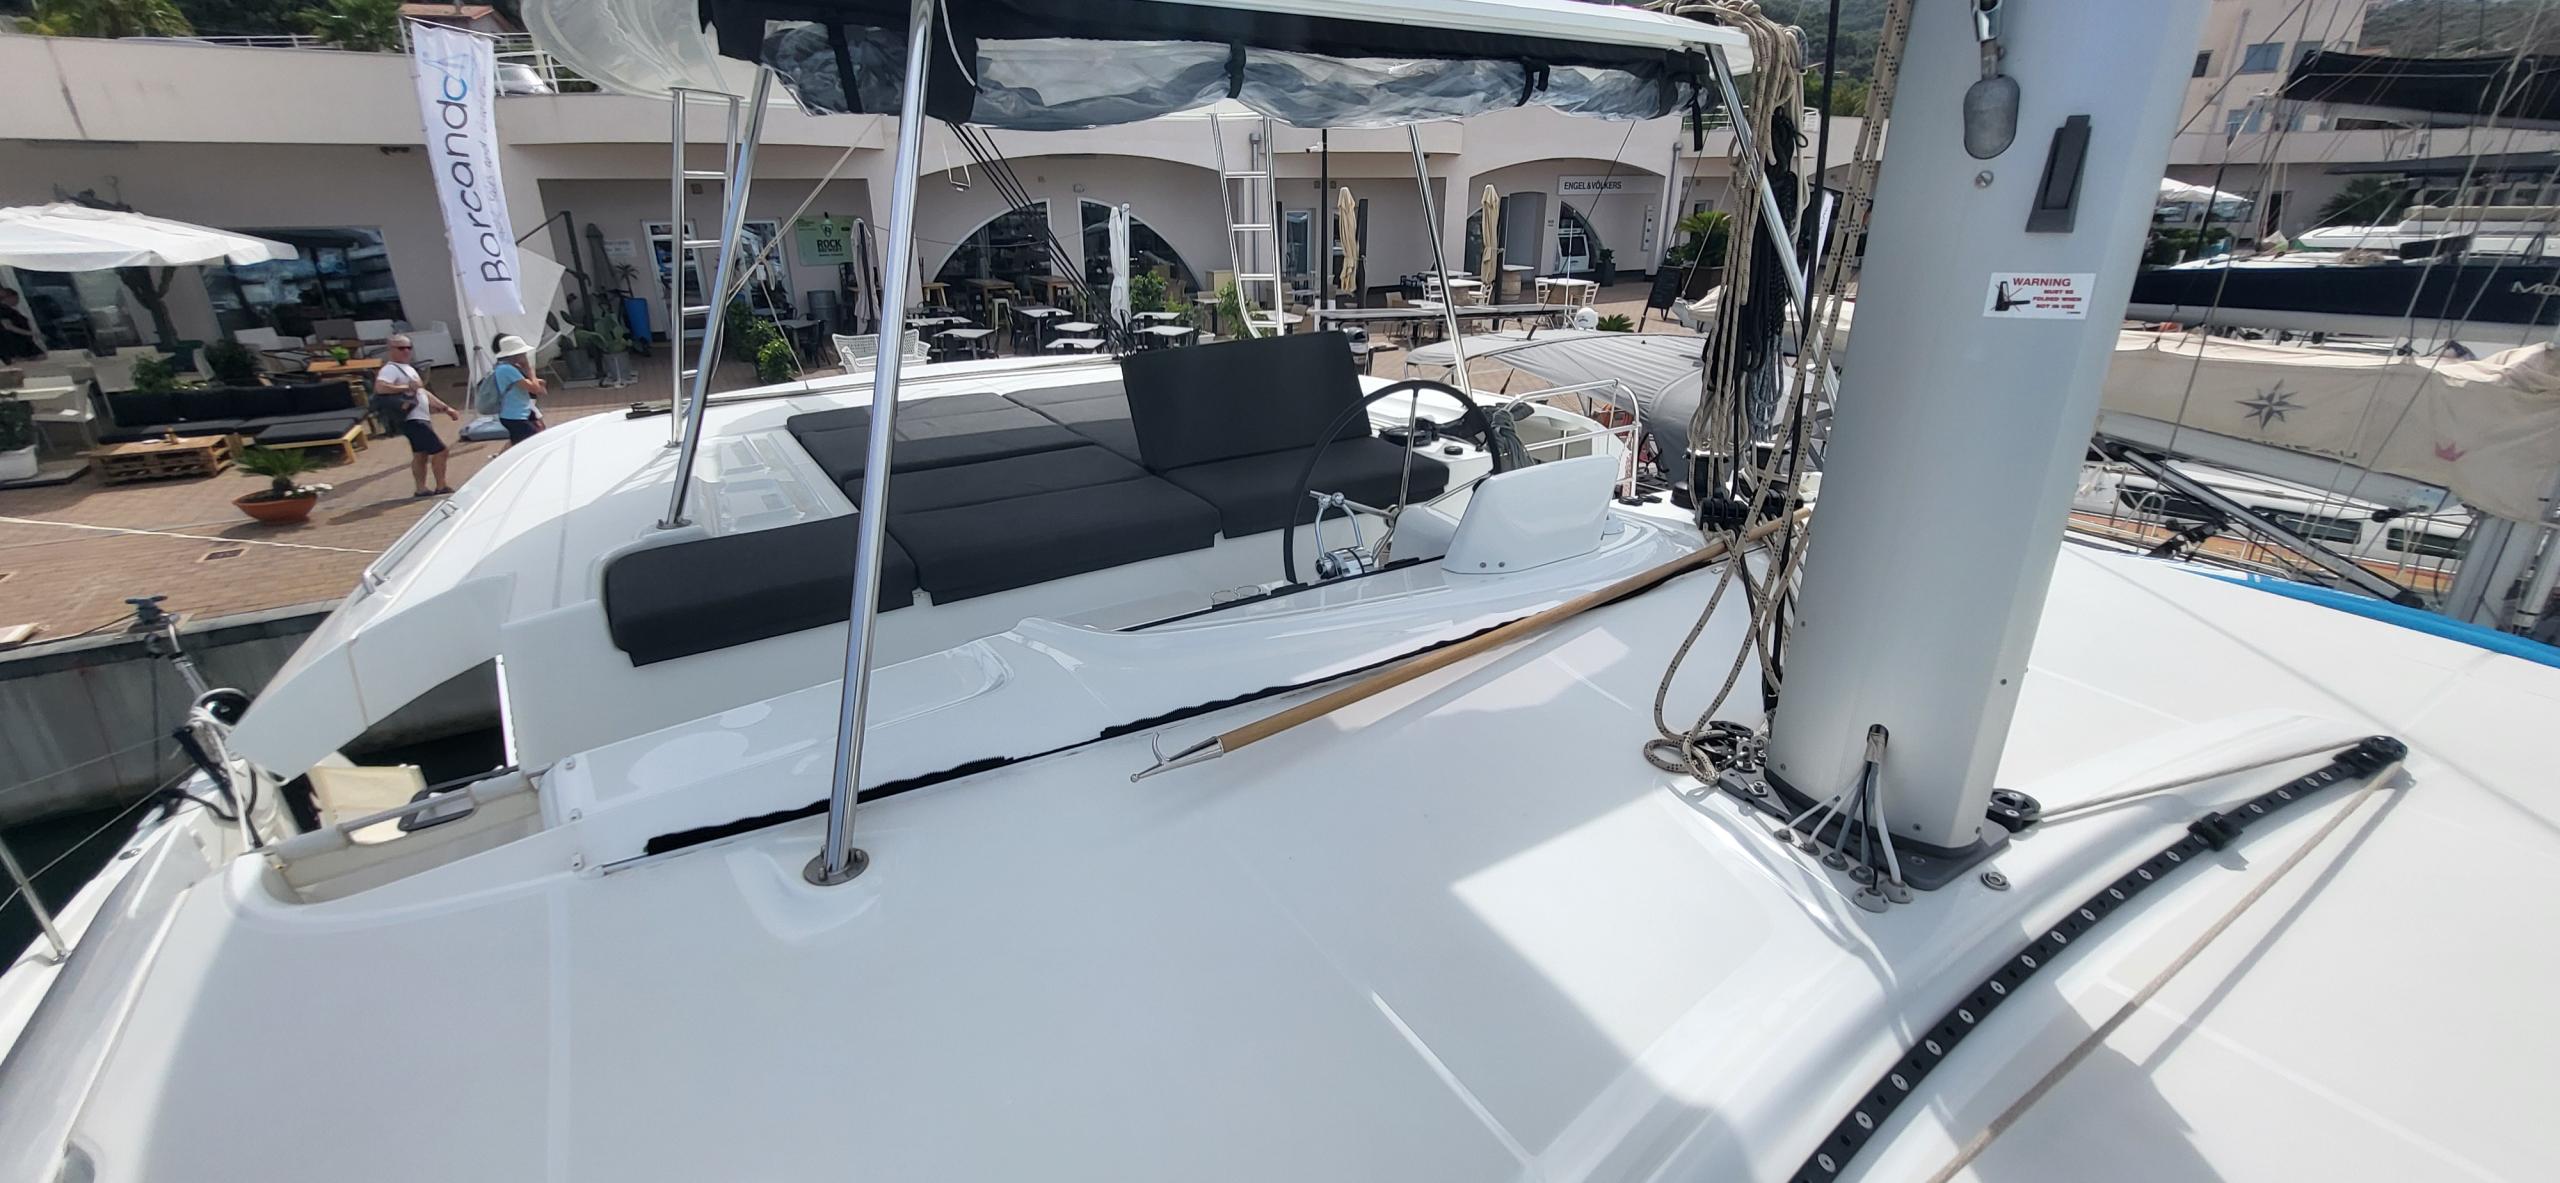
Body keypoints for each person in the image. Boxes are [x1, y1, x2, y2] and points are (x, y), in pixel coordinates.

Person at [375, 334, 459, 496]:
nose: (406, 351)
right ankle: (441, 486)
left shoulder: (408, 368)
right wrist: (407, 387)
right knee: (441, 451)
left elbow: (422, 392)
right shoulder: (390, 369)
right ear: (391, 350)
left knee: (421, 453)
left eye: (409, 348)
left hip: (420, 417)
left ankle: (421, 489)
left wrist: (446, 408)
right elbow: (380, 387)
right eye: (401, 348)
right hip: (412, 419)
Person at [490, 334, 547, 448]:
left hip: (521, 412)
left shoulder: (507, 368)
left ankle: (500, 457)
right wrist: (529, 369)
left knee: (519, 443)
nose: (525, 356)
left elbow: (536, 388)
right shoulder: (507, 369)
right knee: (529, 444)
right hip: (515, 416)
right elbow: (535, 389)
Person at [0, 288, 44, 363]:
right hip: (15, 342)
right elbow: (8, 326)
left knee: (38, 358)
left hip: (22, 341)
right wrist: (30, 333)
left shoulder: (10, 310)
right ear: (10, 298)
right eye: (17, 298)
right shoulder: (3, 310)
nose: (18, 300)